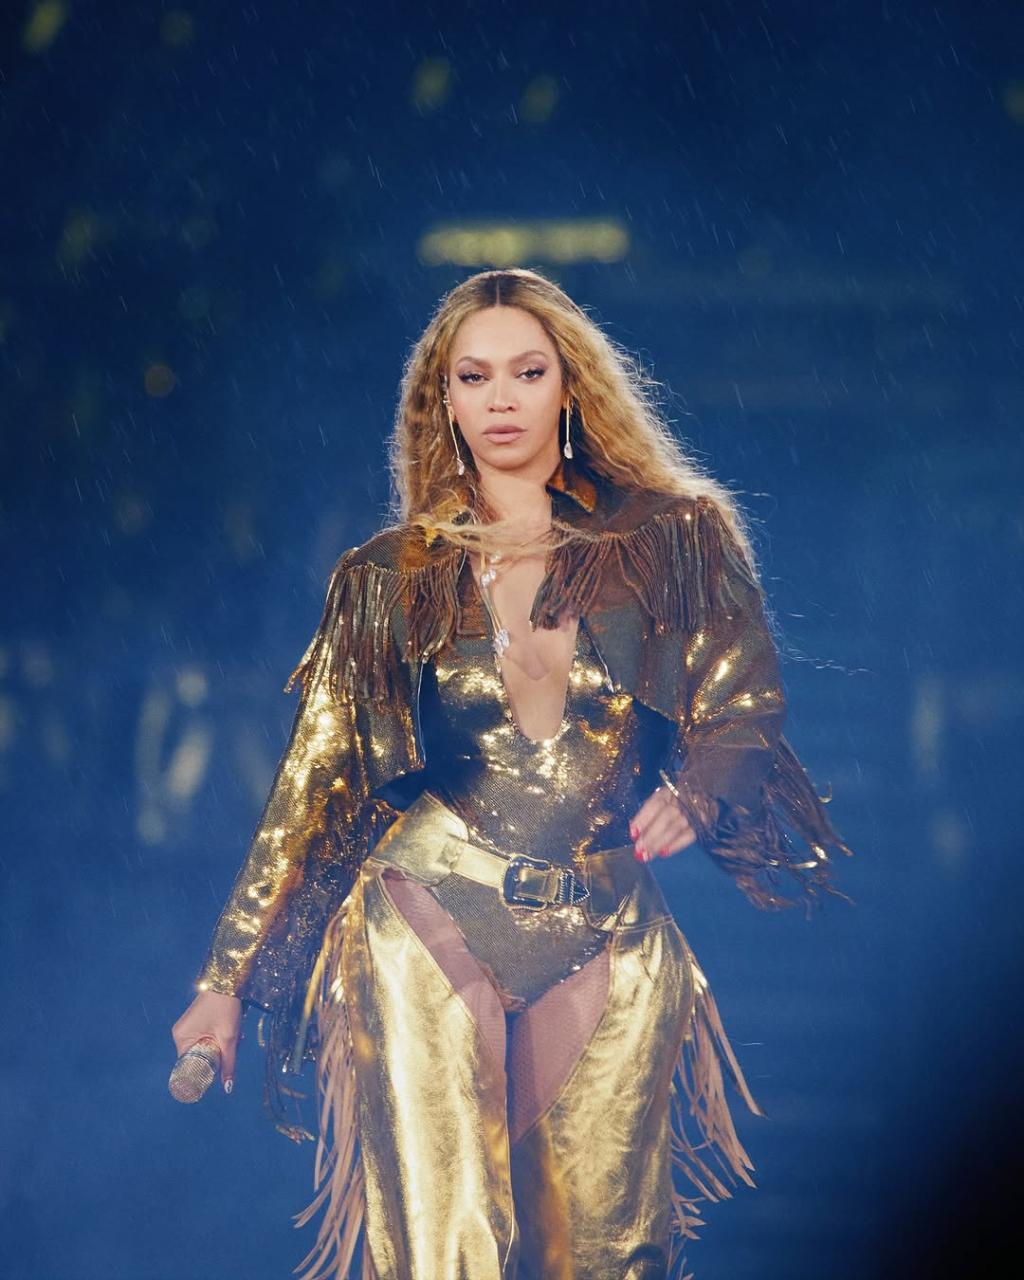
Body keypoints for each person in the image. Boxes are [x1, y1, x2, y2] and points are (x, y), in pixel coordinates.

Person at [171, 267, 853, 1280]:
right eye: (473, 376)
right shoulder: (387, 576)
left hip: (606, 918)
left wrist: (700, 790)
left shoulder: (672, 541)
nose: (500, 399)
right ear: (441, 401)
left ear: (569, 387)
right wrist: (224, 980)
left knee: (611, 1252)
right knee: (447, 1251)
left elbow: (742, 701)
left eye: (527, 373)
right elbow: (314, 784)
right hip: (428, 904)